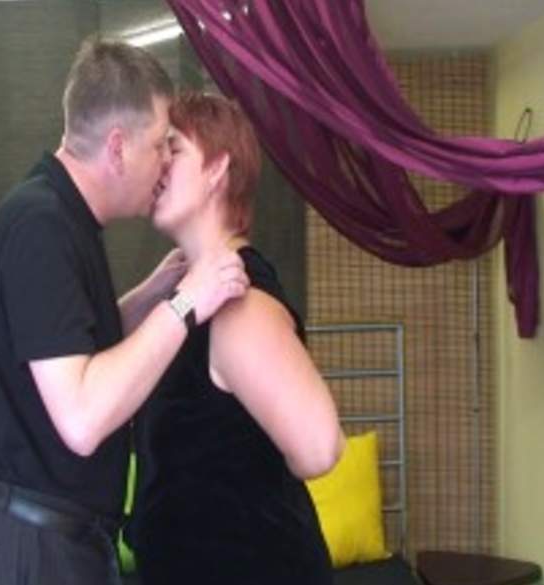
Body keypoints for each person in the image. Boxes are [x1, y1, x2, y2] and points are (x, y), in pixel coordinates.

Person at [0, 41, 249, 585]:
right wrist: (186, 303)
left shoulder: (61, 217)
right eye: (160, 145)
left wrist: (154, 295)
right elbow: (82, 417)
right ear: (117, 148)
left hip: (57, 544)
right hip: (35, 556)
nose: (165, 163)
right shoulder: (41, 227)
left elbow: (69, 348)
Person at [126, 92, 346, 585]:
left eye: (173, 148)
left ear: (216, 170)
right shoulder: (193, 295)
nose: (158, 163)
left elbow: (319, 447)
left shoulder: (237, 303)